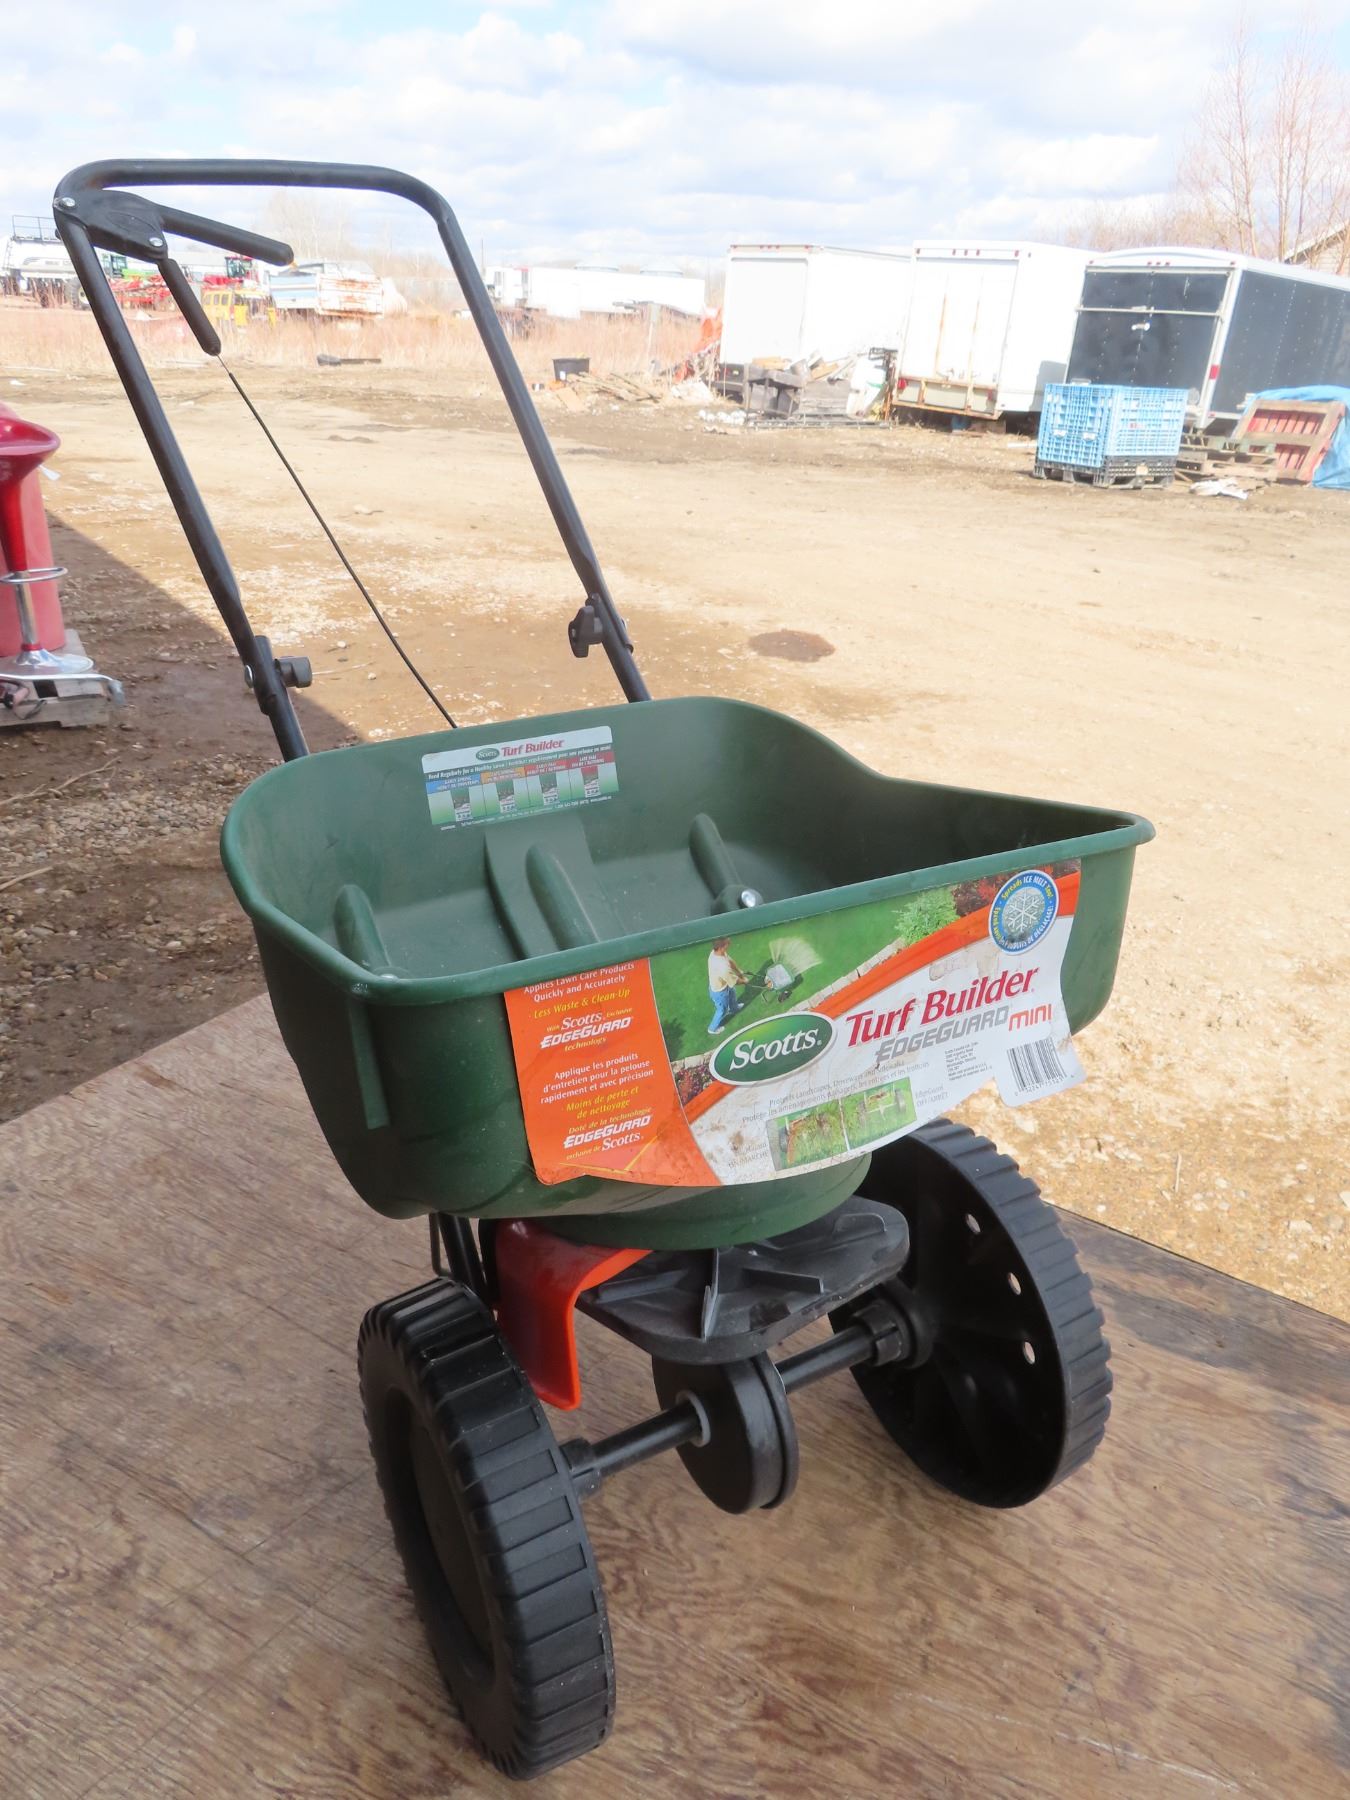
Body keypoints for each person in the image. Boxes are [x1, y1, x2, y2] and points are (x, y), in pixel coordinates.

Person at [707, 937, 750, 1035]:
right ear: (721, 947)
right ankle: (712, 1028)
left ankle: (734, 1008)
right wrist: (744, 981)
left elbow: (729, 960)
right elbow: (734, 981)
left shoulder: (716, 953)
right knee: (722, 1010)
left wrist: (739, 971)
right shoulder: (722, 967)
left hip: (724, 984)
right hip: (719, 992)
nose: (729, 944)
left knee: (732, 993)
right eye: (726, 944)